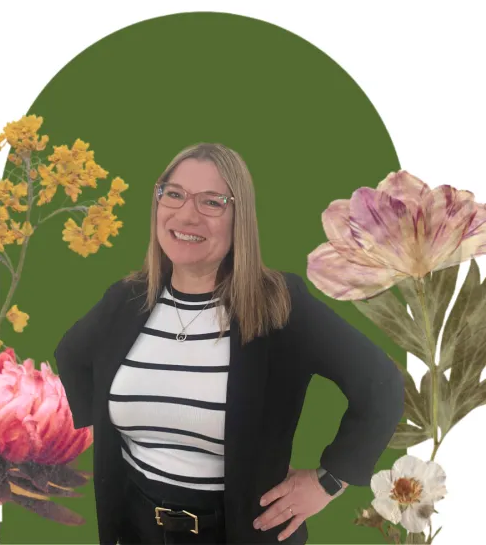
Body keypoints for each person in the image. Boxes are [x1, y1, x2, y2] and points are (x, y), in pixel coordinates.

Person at [54, 143, 405, 545]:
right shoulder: (128, 297)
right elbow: (71, 353)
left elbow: (381, 383)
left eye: (212, 202)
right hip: (137, 528)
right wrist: (108, 424)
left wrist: (329, 482)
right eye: (174, 194)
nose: (187, 214)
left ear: (240, 218)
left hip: (240, 532)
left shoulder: (280, 303)